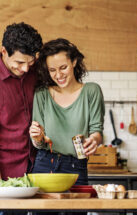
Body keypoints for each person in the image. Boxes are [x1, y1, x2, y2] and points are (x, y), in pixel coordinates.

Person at [0, 22, 43, 192]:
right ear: (4, 51)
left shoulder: (35, 72)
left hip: (30, 170)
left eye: (30, 62)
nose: (25, 68)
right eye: (19, 62)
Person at [29, 38, 105, 186]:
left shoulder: (91, 91)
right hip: (45, 163)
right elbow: (39, 142)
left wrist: (94, 140)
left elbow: (96, 131)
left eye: (63, 67)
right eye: (52, 70)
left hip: (76, 166)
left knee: (74, 210)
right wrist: (37, 138)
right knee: (42, 210)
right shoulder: (42, 94)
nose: (58, 75)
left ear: (74, 62)